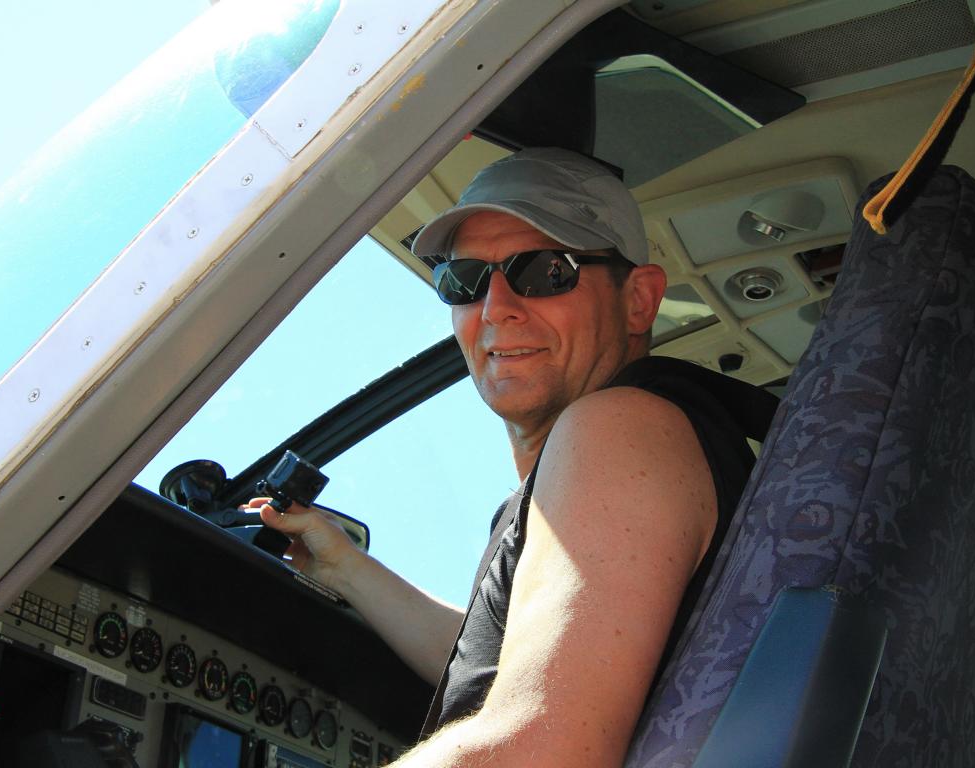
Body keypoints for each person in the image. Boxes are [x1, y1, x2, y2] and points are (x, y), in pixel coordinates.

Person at [252, 148, 762, 767]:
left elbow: (542, 744)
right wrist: (344, 568)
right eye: (463, 280)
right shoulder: (610, 459)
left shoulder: (617, 426)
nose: (495, 307)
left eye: (545, 271)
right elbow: (507, 666)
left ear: (638, 299)